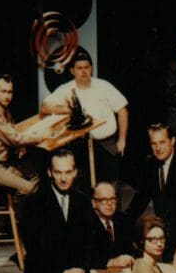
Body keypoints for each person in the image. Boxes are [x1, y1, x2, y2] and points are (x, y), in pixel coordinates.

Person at [40, 49, 130, 186]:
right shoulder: (66, 89)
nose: (84, 71)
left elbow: (122, 110)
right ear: (72, 71)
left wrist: (122, 140)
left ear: (91, 69)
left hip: (107, 145)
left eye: (87, 67)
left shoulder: (103, 86)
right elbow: (45, 108)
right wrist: (68, 110)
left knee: (111, 189)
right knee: (83, 188)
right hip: (81, 147)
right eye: (79, 68)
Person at [126, 123, 176, 267]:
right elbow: (141, 198)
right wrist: (122, 223)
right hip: (166, 234)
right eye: (153, 143)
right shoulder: (150, 164)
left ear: (172, 141)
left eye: (162, 142)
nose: (157, 148)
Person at [0, 74, 47, 197]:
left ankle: (19, 214)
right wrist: (40, 136)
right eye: (3, 91)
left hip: (0, 164)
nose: (7, 96)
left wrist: (19, 146)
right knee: (29, 188)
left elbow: (11, 133)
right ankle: (17, 216)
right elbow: (14, 138)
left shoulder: (5, 111)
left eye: (10, 92)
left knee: (35, 177)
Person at [89, 181, 135, 269]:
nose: (110, 204)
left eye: (112, 199)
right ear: (94, 203)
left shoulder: (123, 220)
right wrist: (111, 262)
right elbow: (83, 259)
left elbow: (130, 250)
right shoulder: (84, 223)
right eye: (104, 200)